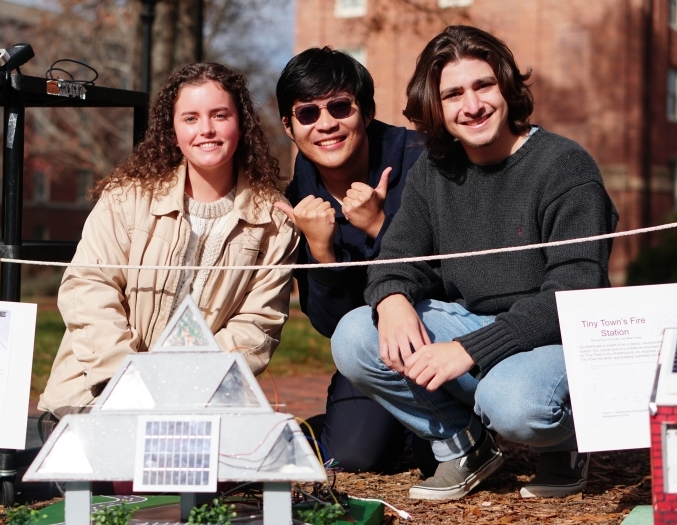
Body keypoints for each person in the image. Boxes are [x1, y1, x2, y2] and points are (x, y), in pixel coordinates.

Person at [331, 25, 618, 500]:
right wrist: (394, 297)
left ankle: (565, 442)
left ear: (506, 86)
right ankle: (462, 445)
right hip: (470, 322)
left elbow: (576, 288)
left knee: (512, 403)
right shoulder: (436, 169)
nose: (472, 105)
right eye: (453, 94)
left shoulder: (565, 166)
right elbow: (397, 253)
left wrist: (470, 351)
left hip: (557, 336)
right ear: (436, 108)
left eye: (483, 85)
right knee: (356, 335)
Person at [38, 63, 299, 428]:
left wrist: (184, 390)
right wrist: (128, 384)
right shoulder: (126, 198)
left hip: (199, 406)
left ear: (241, 123)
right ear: (172, 130)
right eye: (190, 118)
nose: (206, 129)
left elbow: (257, 327)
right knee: (110, 479)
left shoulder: (273, 222)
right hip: (96, 396)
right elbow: (88, 289)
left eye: (219, 115)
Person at [274, 47, 437, 474]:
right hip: (372, 352)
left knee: (434, 461)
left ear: (365, 112)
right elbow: (331, 325)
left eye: (340, 107)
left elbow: (457, 277)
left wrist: (380, 227)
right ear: (288, 127)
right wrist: (322, 252)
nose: (325, 124)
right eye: (307, 113)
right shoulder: (299, 199)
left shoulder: (425, 161)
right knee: (351, 456)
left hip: (442, 335)